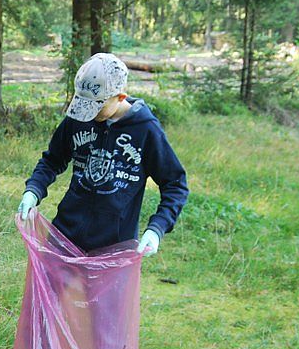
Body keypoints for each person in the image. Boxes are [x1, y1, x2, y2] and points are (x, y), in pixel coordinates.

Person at [17, 52, 188, 254]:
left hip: (114, 245)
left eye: (96, 106)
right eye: (83, 103)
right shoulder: (80, 117)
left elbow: (175, 184)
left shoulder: (146, 130)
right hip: (66, 233)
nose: (88, 113)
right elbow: (52, 160)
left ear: (120, 97)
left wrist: (157, 228)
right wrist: (33, 190)